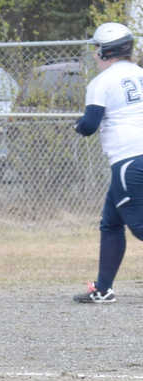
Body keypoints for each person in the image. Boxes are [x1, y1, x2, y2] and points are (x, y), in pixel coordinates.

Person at [73, 22, 143, 304]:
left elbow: (89, 125)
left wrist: (77, 126)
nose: (94, 54)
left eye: (96, 48)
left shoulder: (101, 83)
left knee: (139, 227)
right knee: (111, 223)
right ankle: (103, 288)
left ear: (106, 51)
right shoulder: (139, 74)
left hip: (129, 160)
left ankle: (103, 288)